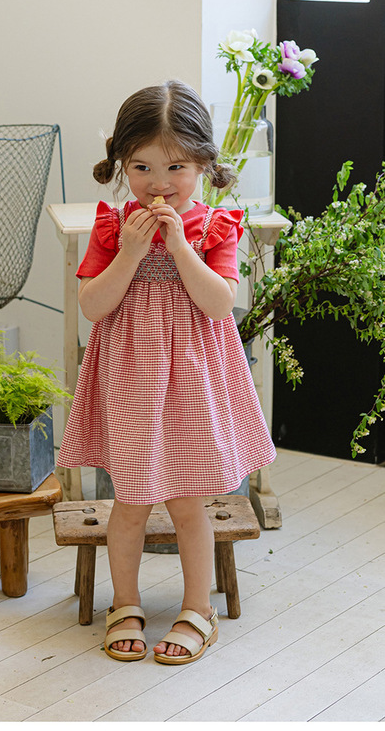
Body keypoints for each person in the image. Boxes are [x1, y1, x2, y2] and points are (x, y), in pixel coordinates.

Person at [56, 80, 276, 665]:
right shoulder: (113, 226)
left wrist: (180, 248)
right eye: (142, 167)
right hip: (131, 381)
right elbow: (93, 306)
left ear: (204, 163)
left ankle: (197, 609)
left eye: (176, 166)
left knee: (186, 503)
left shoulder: (215, 227)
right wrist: (130, 252)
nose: (159, 182)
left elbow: (220, 304)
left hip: (193, 384)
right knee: (128, 501)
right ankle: (124, 603)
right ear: (120, 165)